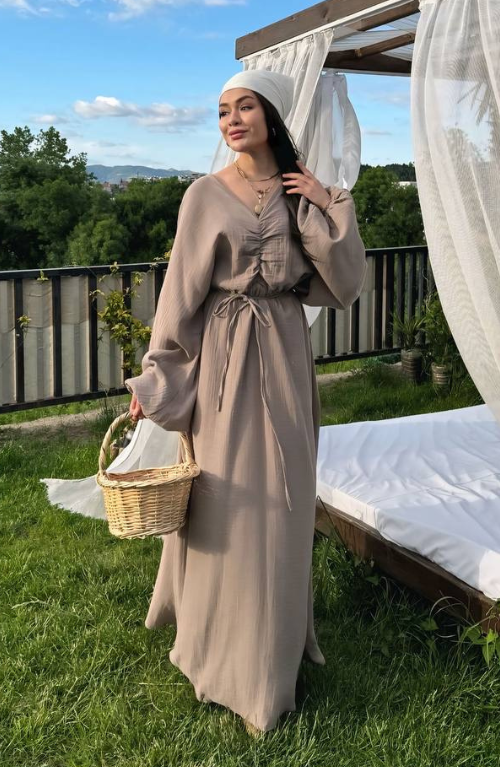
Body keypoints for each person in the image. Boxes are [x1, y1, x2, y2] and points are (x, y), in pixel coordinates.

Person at [124, 68, 368, 735]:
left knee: (285, 500)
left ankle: (271, 660)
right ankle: (213, 651)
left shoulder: (301, 194)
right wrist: (158, 376)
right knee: (222, 501)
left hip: (284, 353)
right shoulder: (204, 195)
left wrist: (323, 201)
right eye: (223, 110)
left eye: (245, 107)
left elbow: (344, 282)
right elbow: (180, 293)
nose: (231, 120)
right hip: (224, 363)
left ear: (272, 116)